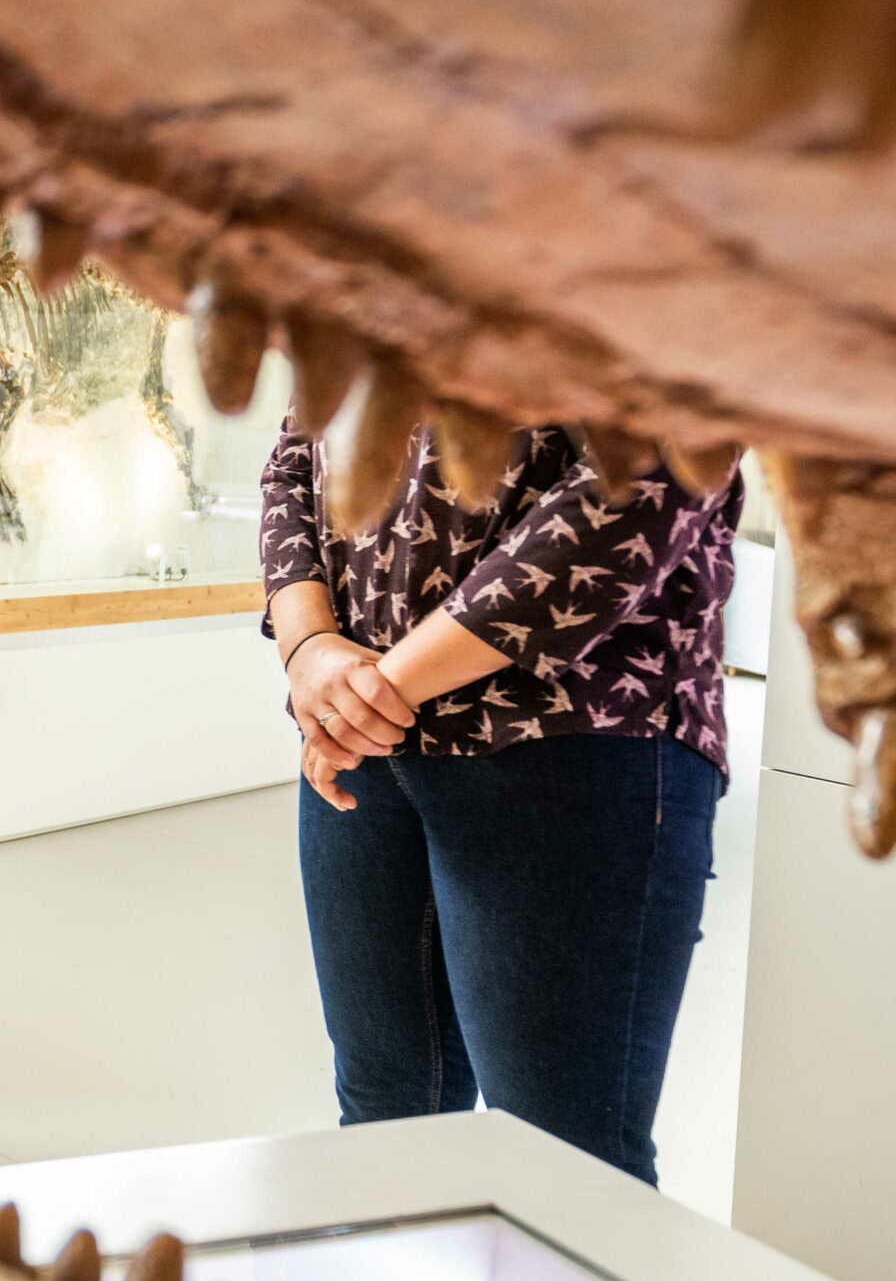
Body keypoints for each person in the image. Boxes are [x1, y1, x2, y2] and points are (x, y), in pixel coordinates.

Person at [262, 418, 742, 1185]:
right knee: (382, 1121)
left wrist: (369, 693)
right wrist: (307, 646)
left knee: (564, 1171)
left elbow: (652, 472)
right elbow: (294, 453)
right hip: (363, 737)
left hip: (567, 730)